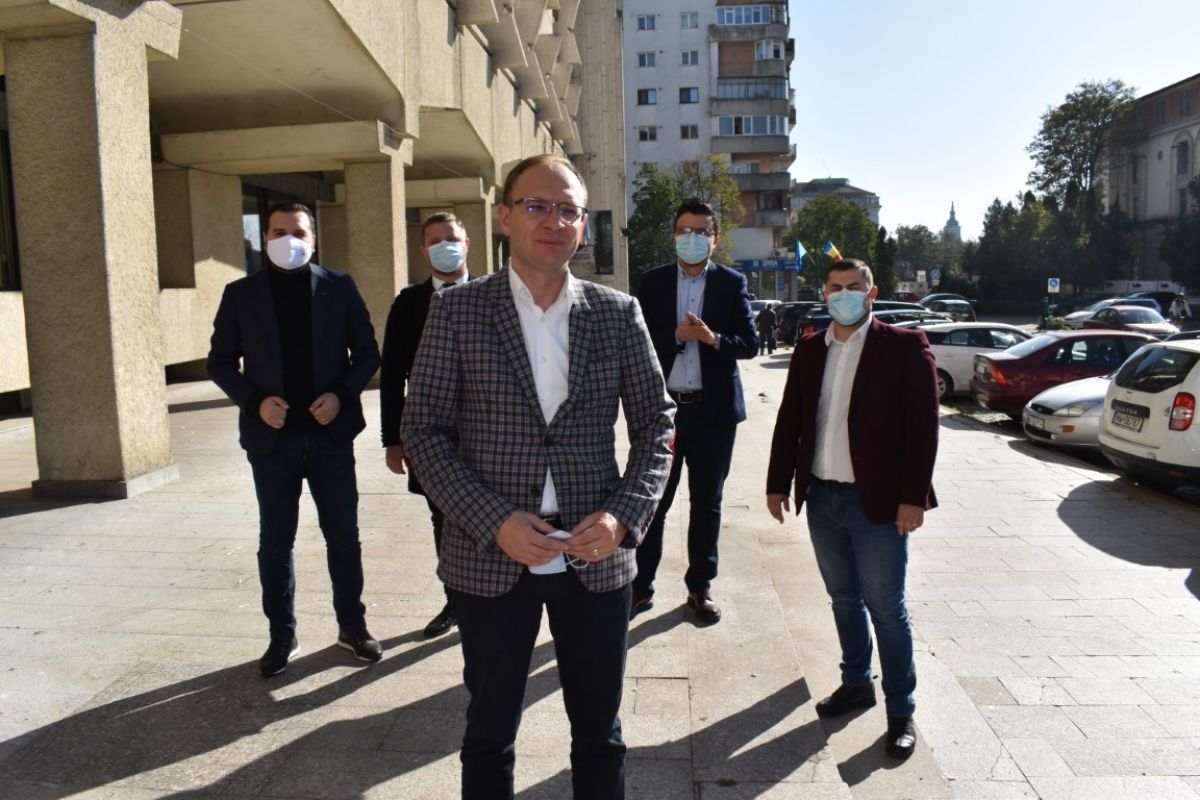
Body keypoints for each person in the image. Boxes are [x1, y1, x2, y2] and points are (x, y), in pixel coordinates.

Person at [400, 154, 675, 800]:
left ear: (583, 226)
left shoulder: (618, 313)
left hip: (595, 558)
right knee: (489, 733)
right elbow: (424, 431)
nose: (554, 221)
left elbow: (657, 424)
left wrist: (622, 517)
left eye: (569, 210)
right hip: (490, 559)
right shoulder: (458, 311)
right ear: (504, 217)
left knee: (600, 734)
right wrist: (494, 520)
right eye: (537, 206)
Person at [765, 257, 938, 760]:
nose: (844, 294)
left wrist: (913, 498)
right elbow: (790, 419)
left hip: (878, 504)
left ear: (871, 292)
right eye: (836, 287)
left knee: (887, 609)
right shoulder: (809, 350)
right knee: (843, 598)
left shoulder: (903, 346)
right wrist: (777, 483)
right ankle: (857, 682)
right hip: (823, 498)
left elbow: (924, 428)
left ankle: (901, 710)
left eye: (854, 286)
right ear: (824, 293)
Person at [208, 202, 383, 677]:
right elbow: (219, 362)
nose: (289, 240)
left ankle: (353, 627)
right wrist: (254, 402)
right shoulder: (241, 294)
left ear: (313, 238)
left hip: (330, 439)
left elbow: (368, 354)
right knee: (275, 541)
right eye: (279, 231)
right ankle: (281, 634)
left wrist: (341, 395)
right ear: (264, 238)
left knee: (343, 537)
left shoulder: (339, 287)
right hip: (273, 442)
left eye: (299, 232)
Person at [631, 199, 757, 624]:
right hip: (663, 414)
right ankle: (640, 586)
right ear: (674, 236)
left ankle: (699, 586)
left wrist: (712, 338)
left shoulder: (731, 282)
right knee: (653, 501)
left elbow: (750, 343)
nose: (693, 238)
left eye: (702, 232)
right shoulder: (652, 282)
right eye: (685, 230)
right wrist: (676, 335)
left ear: (714, 239)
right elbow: (637, 341)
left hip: (713, 414)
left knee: (707, 503)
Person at [380, 212, 471, 639]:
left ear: (467, 244)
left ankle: (496, 598)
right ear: (423, 250)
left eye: (451, 238)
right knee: (443, 519)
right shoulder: (408, 304)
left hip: (489, 432)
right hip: (430, 435)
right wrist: (393, 439)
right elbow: (392, 375)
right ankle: (456, 600)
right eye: (435, 241)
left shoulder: (496, 295)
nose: (444, 246)